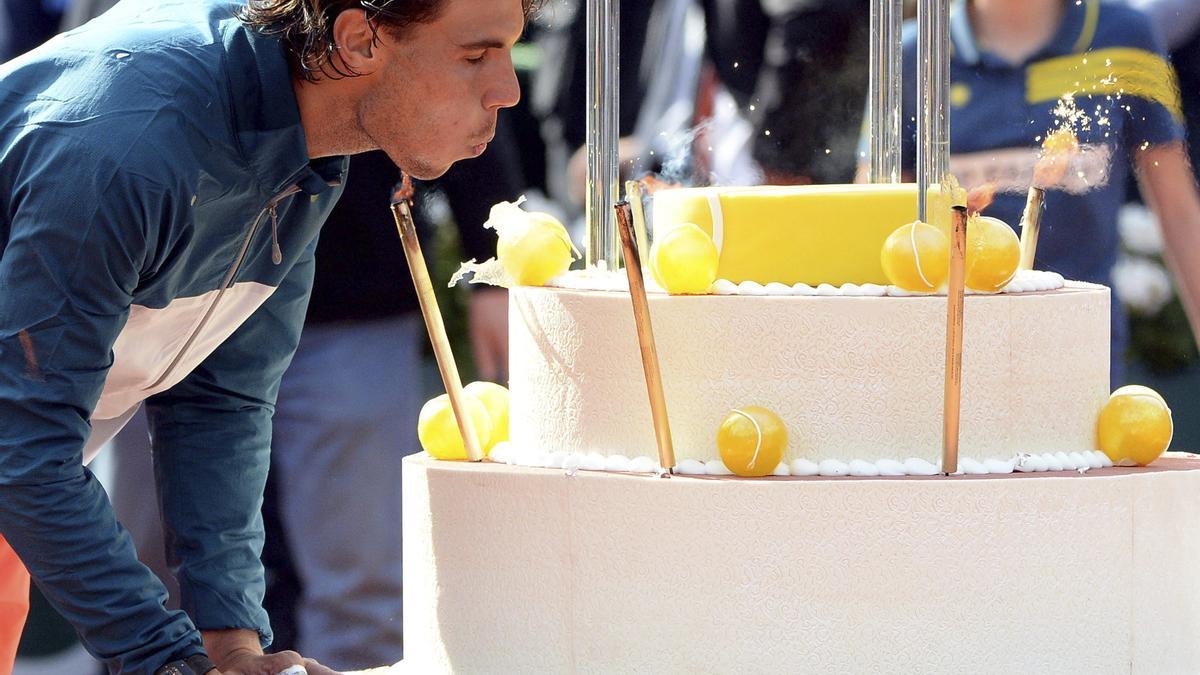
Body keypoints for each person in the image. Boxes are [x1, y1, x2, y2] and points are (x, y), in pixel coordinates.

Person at [0, 0, 529, 673]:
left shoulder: (307, 145)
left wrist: (232, 645)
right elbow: (20, 443)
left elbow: (220, 399)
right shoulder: (131, 141)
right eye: (476, 54)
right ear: (359, 38)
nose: (508, 89)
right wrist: (168, 657)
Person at [861, 0, 1200, 385]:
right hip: (943, 367)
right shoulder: (910, 56)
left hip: (1081, 360)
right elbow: (875, 226)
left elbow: (1179, 213)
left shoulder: (1126, 36)